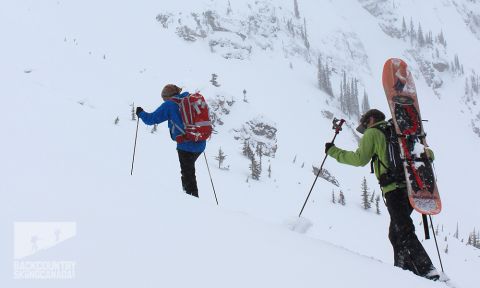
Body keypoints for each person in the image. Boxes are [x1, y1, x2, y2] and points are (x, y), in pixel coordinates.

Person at [325, 109, 440, 281]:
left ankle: (428, 272)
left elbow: (359, 159)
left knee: (404, 230)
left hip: (393, 189)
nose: (364, 126)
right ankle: (405, 272)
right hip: (412, 188)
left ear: (371, 119)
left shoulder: (373, 133)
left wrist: (333, 151)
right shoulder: (400, 132)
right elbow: (429, 154)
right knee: (396, 233)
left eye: (364, 122)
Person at [136, 84, 206, 198]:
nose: (164, 100)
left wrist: (141, 113)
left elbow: (151, 119)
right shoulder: (189, 98)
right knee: (189, 172)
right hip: (200, 142)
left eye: (164, 98)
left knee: (188, 176)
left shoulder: (169, 105)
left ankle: (193, 202)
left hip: (185, 146)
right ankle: (191, 197)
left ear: (167, 96)